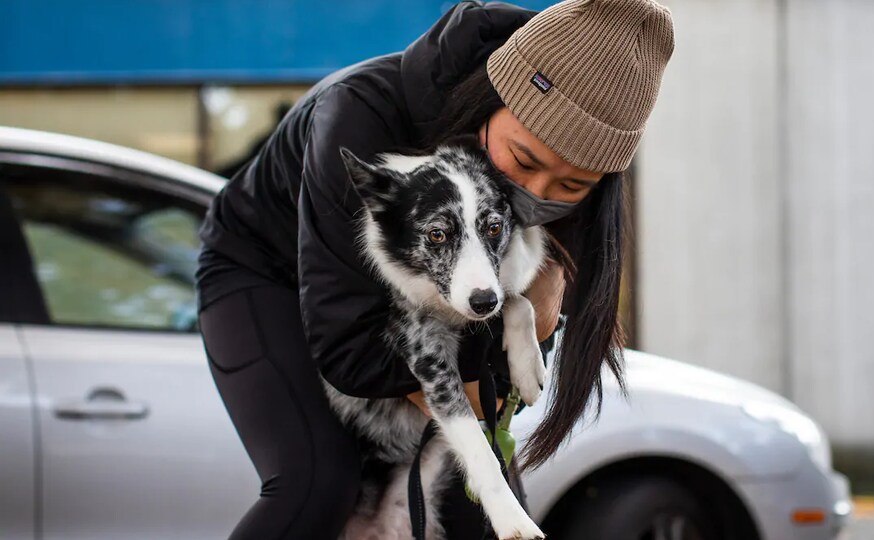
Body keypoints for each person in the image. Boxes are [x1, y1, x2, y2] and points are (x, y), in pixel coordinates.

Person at [195, 0, 675, 538]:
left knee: (487, 507)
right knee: (319, 480)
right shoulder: (358, 118)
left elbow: (497, 395)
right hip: (269, 272)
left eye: (570, 187)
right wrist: (522, 333)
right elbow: (352, 351)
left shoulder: (561, 210)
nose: (534, 196)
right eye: (524, 161)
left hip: (428, 292)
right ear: (491, 102)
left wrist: (530, 326)